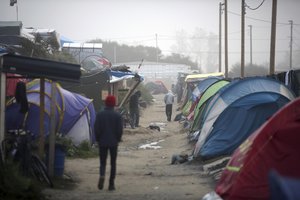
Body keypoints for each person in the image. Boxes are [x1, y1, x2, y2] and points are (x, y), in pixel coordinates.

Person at [94, 95, 123, 191]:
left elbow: (96, 129)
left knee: (102, 162)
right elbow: (119, 130)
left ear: (105, 103)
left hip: (102, 142)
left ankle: (102, 175)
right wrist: (118, 139)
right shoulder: (117, 116)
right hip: (113, 142)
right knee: (113, 163)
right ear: (114, 104)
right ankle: (111, 184)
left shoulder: (100, 114)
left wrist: (98, 139)